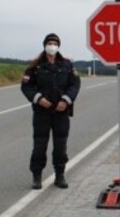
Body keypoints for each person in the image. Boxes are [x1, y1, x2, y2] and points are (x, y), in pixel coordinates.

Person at [21, 33, 81, 190]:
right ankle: (37, 175)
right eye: (49, 43)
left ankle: (59, 175)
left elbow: (75, 84)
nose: (52, 46)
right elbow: (26, 86)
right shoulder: (35, 66)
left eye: (55, 43)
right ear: (44, 45)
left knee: (60, 144)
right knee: (40, 144)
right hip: (42, 112)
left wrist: (66, 100)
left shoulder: (67, 65)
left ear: (58, 45)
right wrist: (38, 98)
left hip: (61, 112)